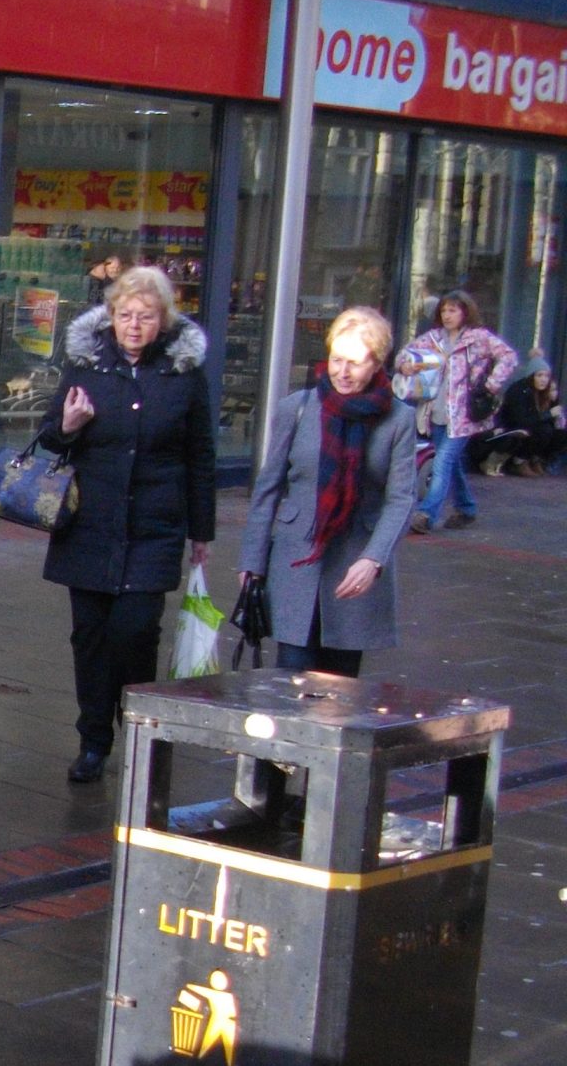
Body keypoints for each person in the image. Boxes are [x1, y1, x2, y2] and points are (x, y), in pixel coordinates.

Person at [33, 265, 216, 785]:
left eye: (146, 317)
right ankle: (93, 740)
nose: (134, 326)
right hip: (89, 523)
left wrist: (200, 532)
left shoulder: (183, 375)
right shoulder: (86, 365)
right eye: (125, 315)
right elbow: (51, 435)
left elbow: (201, 455)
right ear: (111, 316)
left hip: (153, 526)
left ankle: (138, 732)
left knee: (136, 633)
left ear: (164, 321)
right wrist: (68, 427)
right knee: (90, 636)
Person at [235, 307, 416, 679]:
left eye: (355, 362)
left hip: (354, 562)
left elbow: (400, 498)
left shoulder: (398, 419)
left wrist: (374, 560)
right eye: (336, 359)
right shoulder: (296, 409)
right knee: (289, 681)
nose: (342, 372)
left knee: (341, 690)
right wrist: (252, 559)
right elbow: (268, 489)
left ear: (377, 364)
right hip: (296, 559)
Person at [398, 290, 515, 533]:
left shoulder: (478, 338)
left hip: (463, 415)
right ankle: (466, 507)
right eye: (444, 310)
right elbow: (404, 353)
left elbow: (508, 356)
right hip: (436, 411)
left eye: (453, 310)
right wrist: (405, 366)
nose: (447, 315)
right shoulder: (434, 338)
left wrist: (492, 384)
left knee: (442, 461)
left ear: (465, 311)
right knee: (452, 463)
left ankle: (426, 515)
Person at [489, 360, 567, 476]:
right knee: (543, 430)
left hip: (533, 427)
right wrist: (548, 414)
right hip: (513, 427)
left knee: (559, 433)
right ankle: (519, 461)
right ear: (531, 376)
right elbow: (522, 420)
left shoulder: (545, 391)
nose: (543, 379)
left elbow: (552, 421)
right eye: (539, 375)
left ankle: (537, 459)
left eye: (546, 376)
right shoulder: (519, 390)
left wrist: (553, 403)